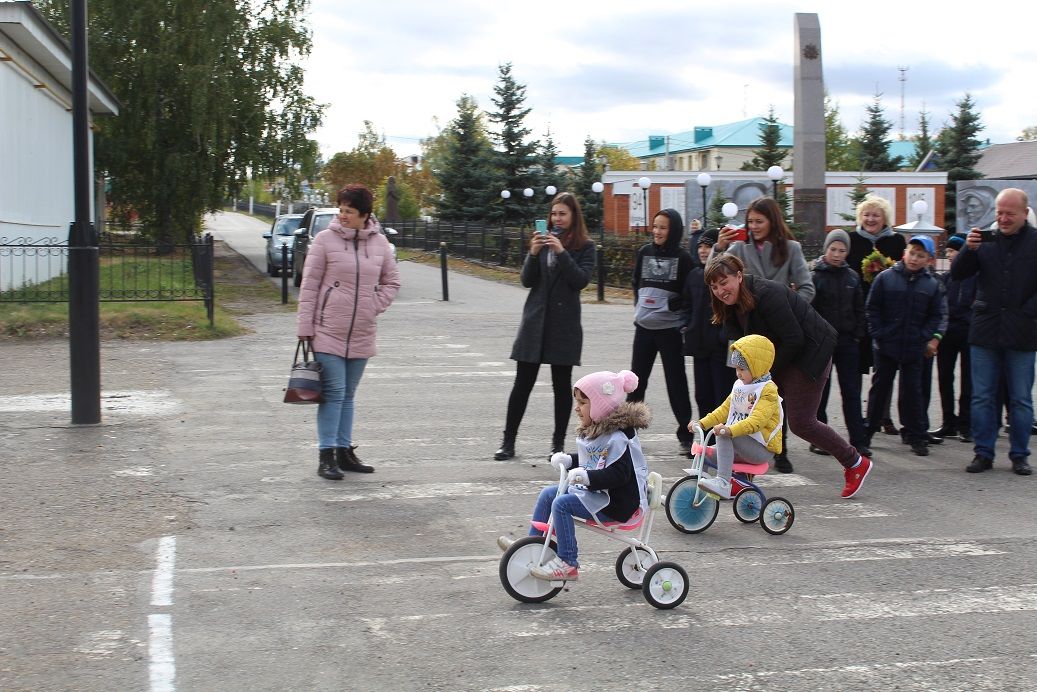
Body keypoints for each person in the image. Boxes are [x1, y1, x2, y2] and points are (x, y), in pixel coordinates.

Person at [704, 254, 873, 498]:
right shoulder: (728, 304)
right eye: (714, 286)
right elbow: (740, 344)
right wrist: (745, 379)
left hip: (809, 352)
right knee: (749, 408)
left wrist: (762, 375)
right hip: (777, 356)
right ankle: (741, 475)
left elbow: (795, 338)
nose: (720, 290)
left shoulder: (767, 294)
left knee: (802, 422)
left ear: (739, 276)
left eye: (724, 282)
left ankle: (856, 463)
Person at [496, 370, 650, 581]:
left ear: (600, 405)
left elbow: (619, 474)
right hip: (600, 495)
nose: (577, 408)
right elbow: (594, 458)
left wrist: (588, 478)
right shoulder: (600, 429)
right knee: (548, 494)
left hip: (618, 503)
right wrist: (569, 460)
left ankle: (568, 563)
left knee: (562, 504)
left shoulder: (620, 436)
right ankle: (533, 544)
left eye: (583, 403)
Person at [297, 184, 400, 479]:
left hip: (362, 331)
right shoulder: (324, 240)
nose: (343, 215)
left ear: (365, 215)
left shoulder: (379, 243)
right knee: (334, 393)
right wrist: (305, 326)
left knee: (349, 395)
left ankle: (344, 452)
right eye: (341, 209)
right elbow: (310, 285)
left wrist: (372, 304)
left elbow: (392, 282)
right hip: (327, 329)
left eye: (349, 211)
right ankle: (326, 455)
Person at [711, 196, 814, 473]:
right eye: (750, 222)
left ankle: (779, 449)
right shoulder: (739, 249)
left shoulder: (790, 249)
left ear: (773, 221)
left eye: (760, 221)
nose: (754, 226)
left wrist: (789, 304)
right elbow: (713, 274)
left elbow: (807, 287)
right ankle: (736, 444)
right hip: (748, 337)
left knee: (775, 394)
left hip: (781, 333)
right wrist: (718, 247)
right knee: (741, 391)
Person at [494, 192, 597, 460]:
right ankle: (508, 442)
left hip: (563, 326)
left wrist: (561, 253)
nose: (557, 219)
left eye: (563, 213)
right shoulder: (540, 242)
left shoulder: (585, 246)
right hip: (535, 323)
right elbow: (527, 281)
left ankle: (557, 444)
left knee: (561, 387)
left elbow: (580, 281)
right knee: (522, 384)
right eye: (554, 213)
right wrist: (532, 253)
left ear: (574, 216)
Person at [951, 188, 1037, 475]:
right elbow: (958, 274)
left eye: (1010, 213)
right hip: (986, 330)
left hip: (1022, 332)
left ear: (1025, 214)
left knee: (1021, 399)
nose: (1003, 218)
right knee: (982, 397)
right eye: (999, 212)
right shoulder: (984, 240)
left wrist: (1028, 311)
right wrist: (968, 249)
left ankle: (1019, 455)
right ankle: (983, 453)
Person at [863, 236, 947, 457]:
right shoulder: (885, 278)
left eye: (921, 255)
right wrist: (879, 334)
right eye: (912, 253)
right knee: (880, 390)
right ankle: (867, 433)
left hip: (913, 347)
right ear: (904, 254)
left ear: (928, 260)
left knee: (913, 393)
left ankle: (916, 436)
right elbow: (873, 309)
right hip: (886, 345)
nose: (915, 258)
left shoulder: (930, 285)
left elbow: (936, 315)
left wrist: (924, 336)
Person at [627, 208, 695, 452]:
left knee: (676, 381)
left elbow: (691, 290)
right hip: (644, 328)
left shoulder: (684, 258)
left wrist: (674, 305)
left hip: (670, 330)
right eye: (655, 226)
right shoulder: (644, 252)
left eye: (663, 227)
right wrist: (642, 307)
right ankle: (629, 431)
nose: (657, 231)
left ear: (673, 230)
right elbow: (636, 282)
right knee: (636, 381)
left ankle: (686, 434)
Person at [692, 335, 783, 499]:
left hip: (761, 449)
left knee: (723, 435)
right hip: (742, 445)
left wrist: (729, 430)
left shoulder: (767, 391)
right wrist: (702, 423)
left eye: (742, 369)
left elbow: (756, 422)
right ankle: (696, 490)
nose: (738, 374)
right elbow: (724, 410)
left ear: (756, 367)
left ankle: (723, 483)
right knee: (703, 451)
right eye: (736, 369)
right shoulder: (740, 386)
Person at [846, 194, 907, 437]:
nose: (871, 219)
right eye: (867, 215)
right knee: (858, 366)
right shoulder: (851, 240)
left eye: (876, 215)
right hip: (858, 311)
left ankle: (882, 415)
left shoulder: (896, 241)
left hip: (886, 312)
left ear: (885, 219)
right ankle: (859, 416)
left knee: (885, 367)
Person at [811, 229, 870, 457]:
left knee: (851, 392)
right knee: (820, 393)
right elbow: (810, 310)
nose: (837, 254)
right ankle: (820, 439)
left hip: (847, 342)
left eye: (842, 250)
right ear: (826, 249)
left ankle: (859, 439)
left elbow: (860, 309)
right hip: (823, 343)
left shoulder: (852, 277)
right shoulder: (816, 276)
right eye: (833, 249)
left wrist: (857, 334)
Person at [681, 229, 735, 422]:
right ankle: (707, 442)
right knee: (702, 396)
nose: (704, 251)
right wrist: (687, 326)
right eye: (700, 247)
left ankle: (725, 444)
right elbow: (686, 305)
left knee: (724, 395)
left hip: (723, 346)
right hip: (699, 345)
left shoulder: (728, 278)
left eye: (708, 246)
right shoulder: (694, 275)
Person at [930, 234, 975, 443]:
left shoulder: (975, 277)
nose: (949, 255)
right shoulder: (946, 279)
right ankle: (948, 422)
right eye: (947, 252)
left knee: (969, 381)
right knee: (945, 379)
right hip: (947, 335)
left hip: (969, 333)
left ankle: (966, 424)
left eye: (953, 251)